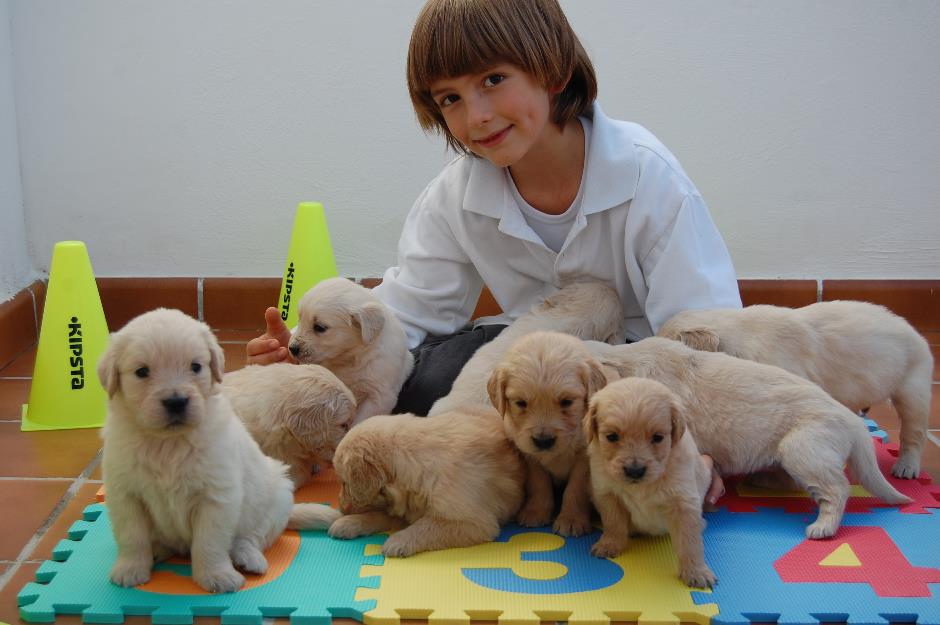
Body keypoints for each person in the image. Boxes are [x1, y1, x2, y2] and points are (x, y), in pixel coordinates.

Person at [247, 0, 740, 502]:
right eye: (450, 99)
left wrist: (698, 444)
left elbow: (706, 335)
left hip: (629, 370)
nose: (476, 116)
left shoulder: (648, 177)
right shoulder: (454, 194)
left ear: (553, 68)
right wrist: (308, 361)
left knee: (624, 422)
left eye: (492, 80)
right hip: (524, 373)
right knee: (424, 380)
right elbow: (402, 318)